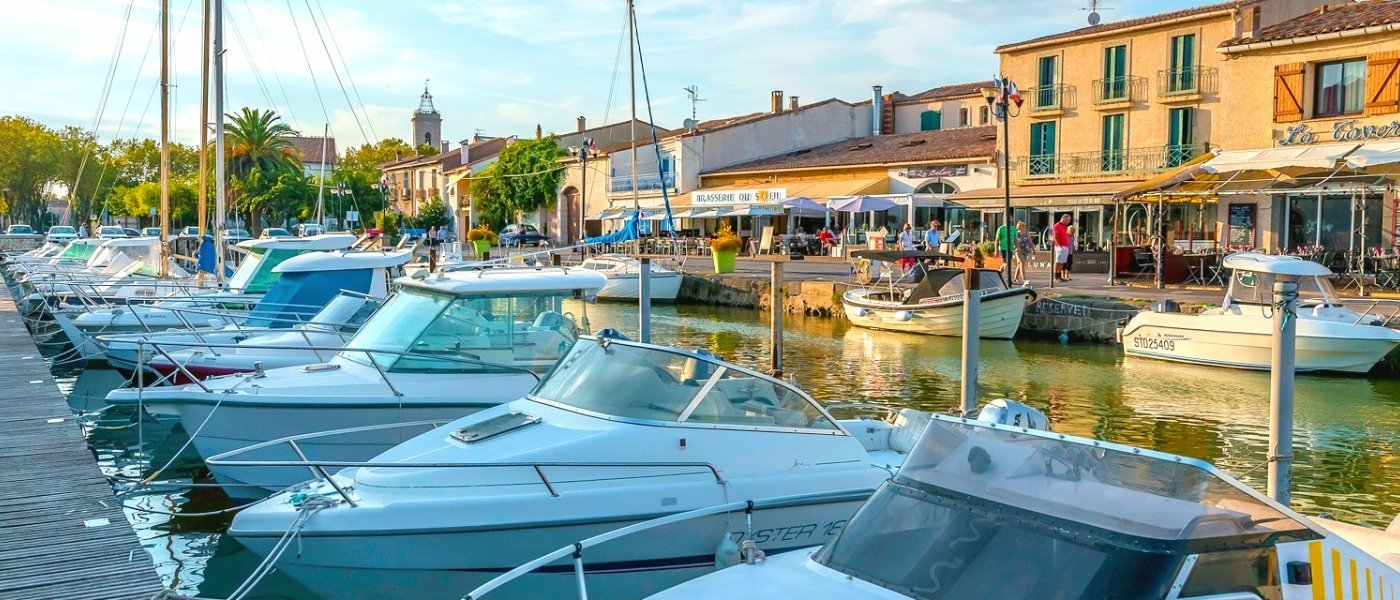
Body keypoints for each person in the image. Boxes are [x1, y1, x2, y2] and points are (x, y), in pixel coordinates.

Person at [1052, 213, 1072, 282]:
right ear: (1063, 218)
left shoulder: (1064, 226)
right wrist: (1060, 246)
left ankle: (1059, 276)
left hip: (1065, 246)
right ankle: (1056, 276)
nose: (1068, 222)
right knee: (1058, 261)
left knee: (1062, 262)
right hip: (1060, 246)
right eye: (1068, 220)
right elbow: (1056, 237)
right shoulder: (1057, 225)